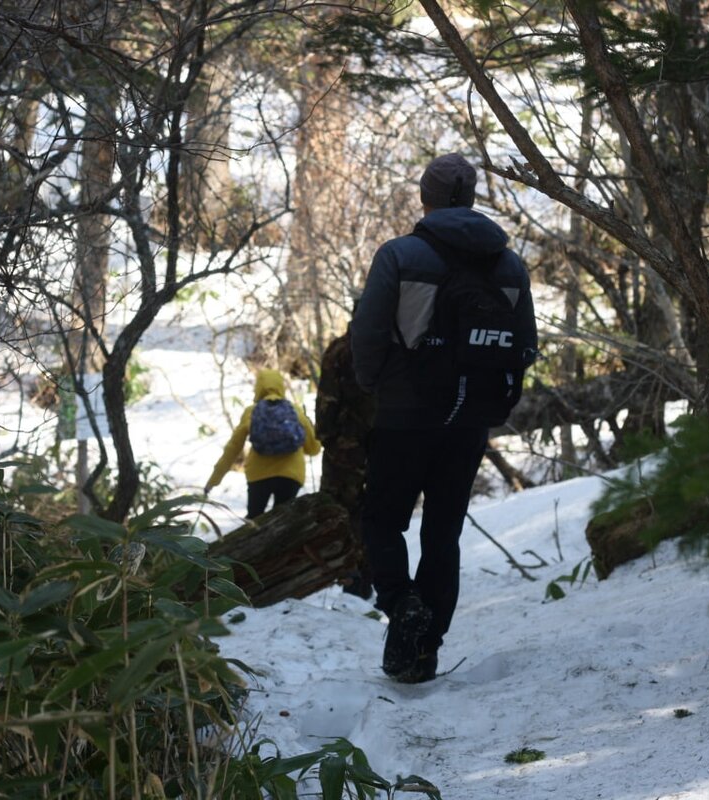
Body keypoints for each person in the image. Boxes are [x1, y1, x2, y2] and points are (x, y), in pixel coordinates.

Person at [350, 153, 537, 683]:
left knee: (382, 520)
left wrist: (375, 385)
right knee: (443, 533)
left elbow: (367, 333)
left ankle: (401, 602)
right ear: (472, 198)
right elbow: (525, 344)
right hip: (470, 419)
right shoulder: (509, 265)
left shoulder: (401, 256)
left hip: (405, 415)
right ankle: (424, 650)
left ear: (424, 197)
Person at [204, 368, 321, 519]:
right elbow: (314, 449)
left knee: (254, 520)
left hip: (259, 474)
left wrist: (213, 480)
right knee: (283, 521)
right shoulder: (295, 410)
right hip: (292, 475)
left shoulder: (251, 411)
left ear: (258, 388)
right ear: (281, 386)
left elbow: (233, 448)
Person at [315, 327, 375, 599]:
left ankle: (347, 577)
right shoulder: (395, 345)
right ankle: (370, 577)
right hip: (387, 445)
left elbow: (328, 397)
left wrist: (326, 435)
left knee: (339, 509)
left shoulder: (341, 350)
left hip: (346, 446)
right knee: (375, 512)